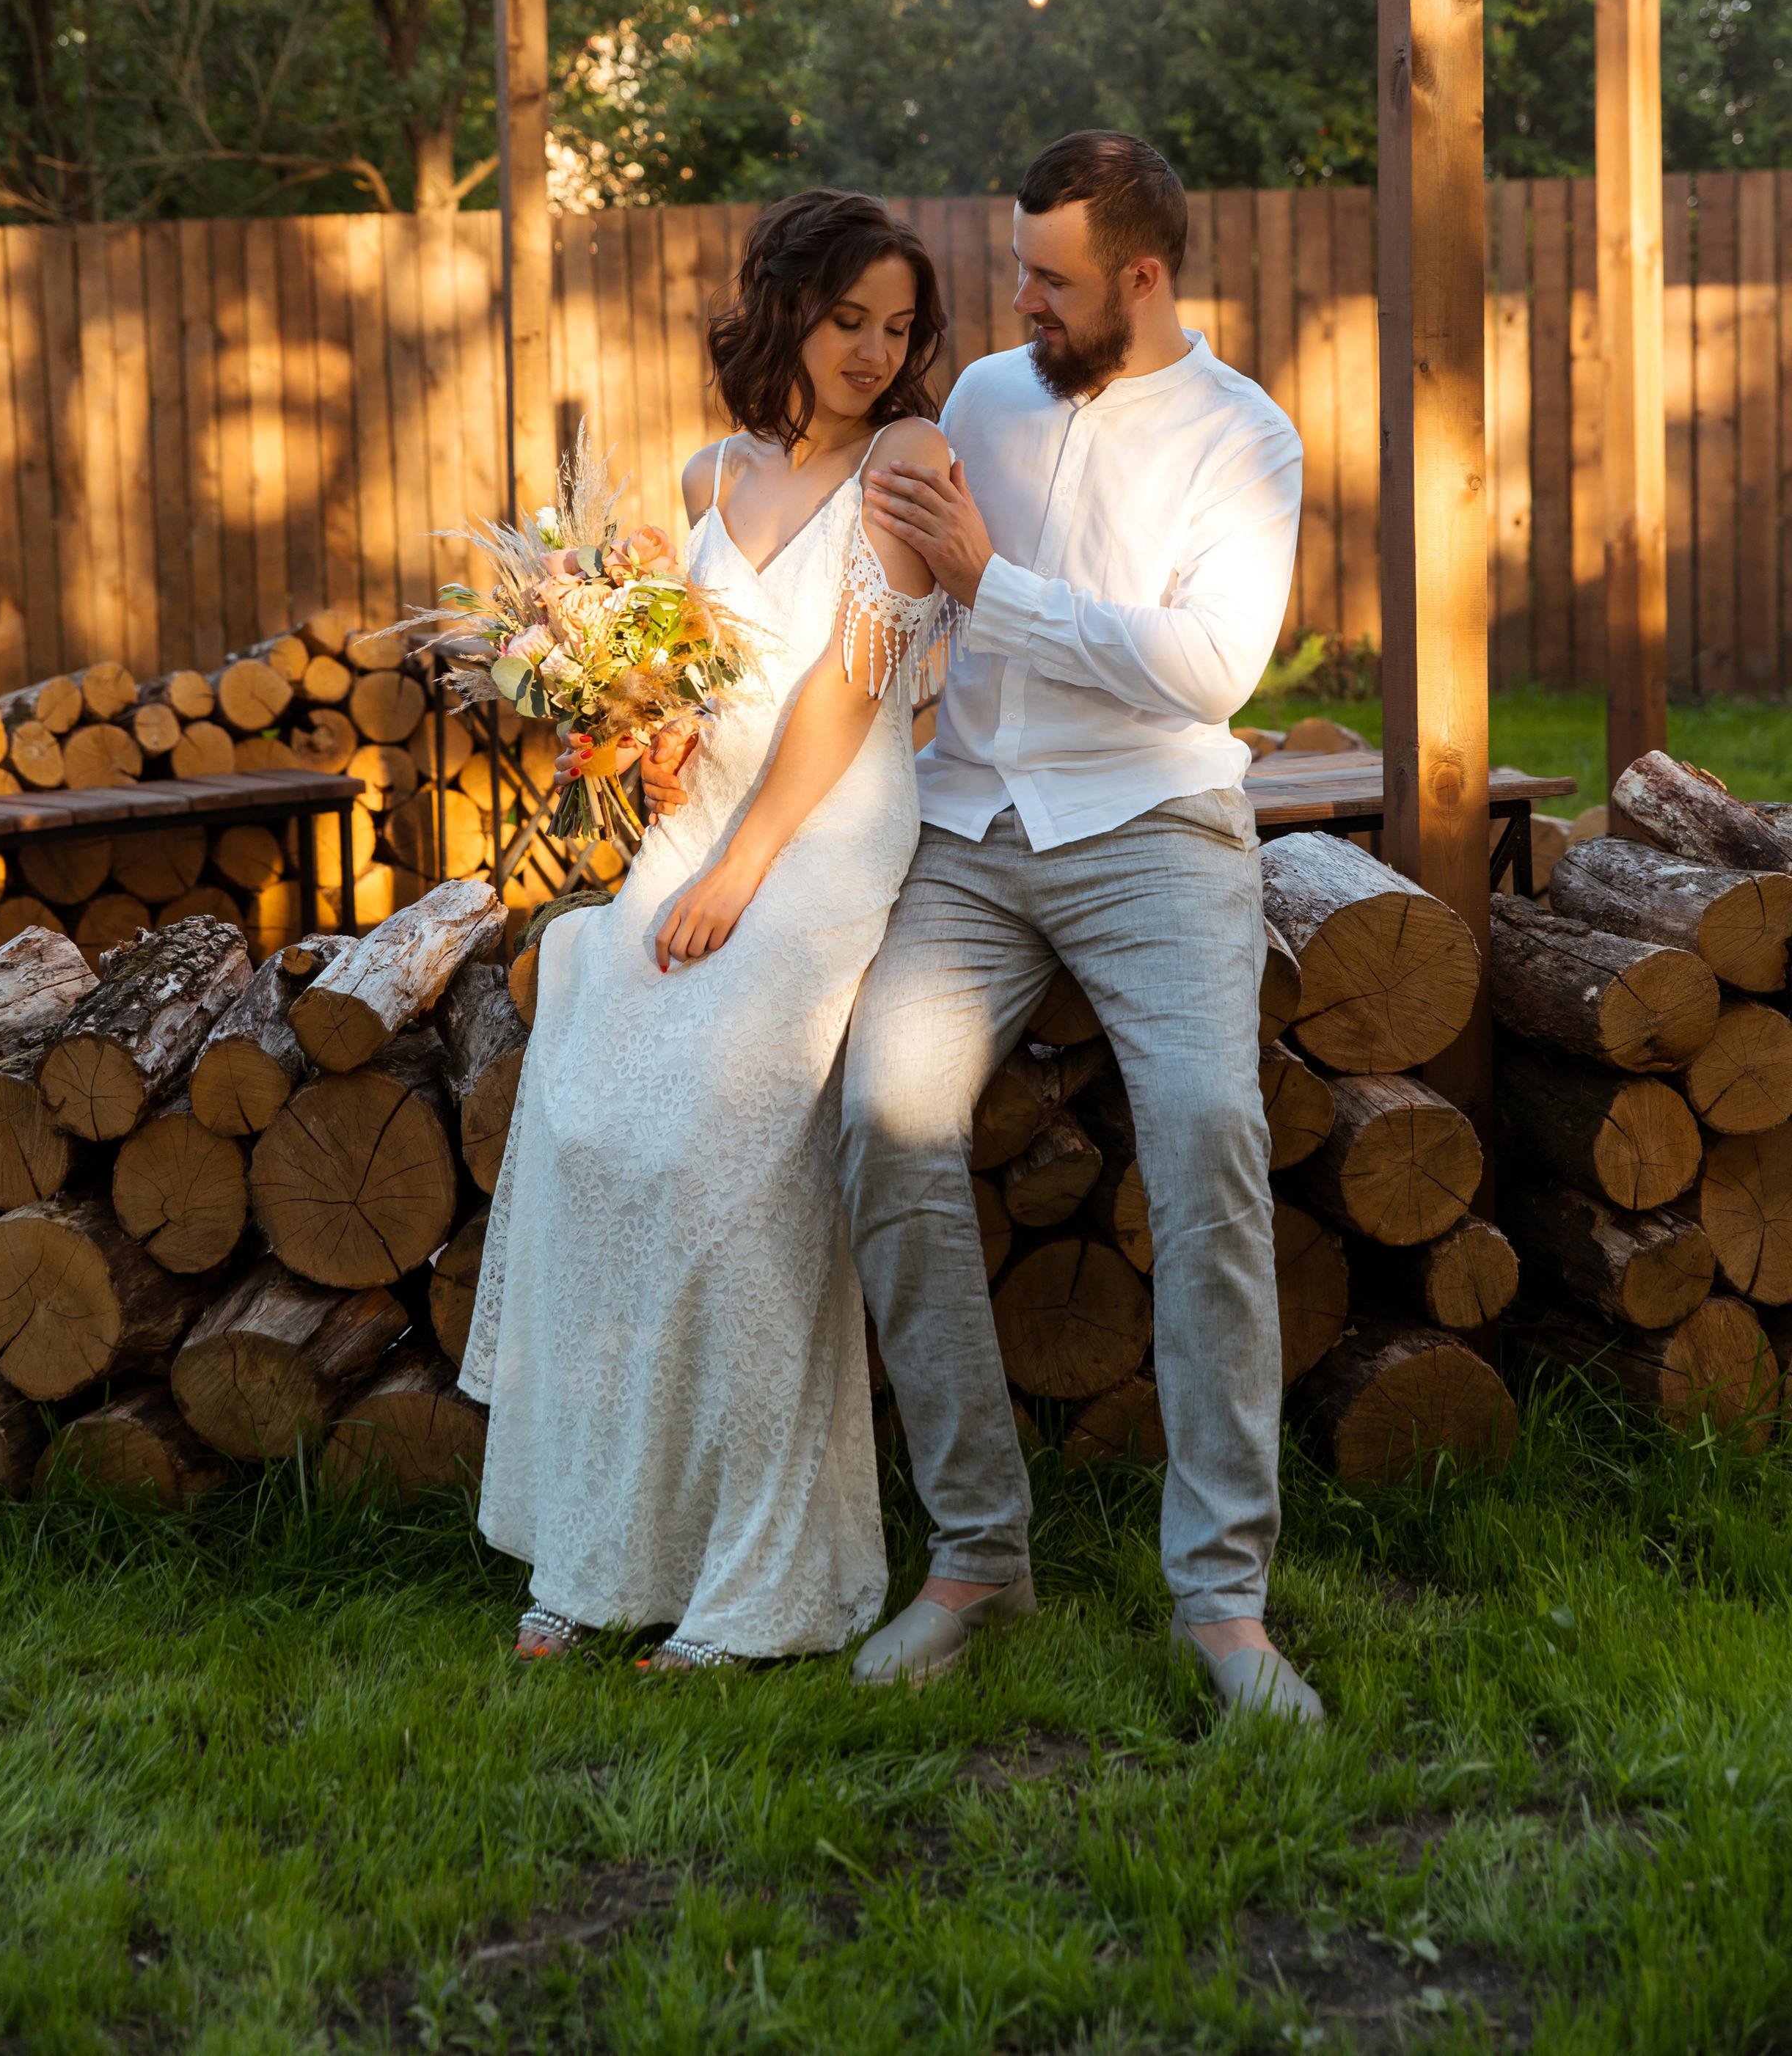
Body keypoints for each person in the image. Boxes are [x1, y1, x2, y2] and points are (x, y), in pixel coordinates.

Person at [840, 128, 1320, 1722]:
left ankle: (1222, 1602)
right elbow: (910, 597)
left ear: (1138, 273)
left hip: (1155, 831)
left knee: (1202, 1128)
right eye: (1016, 271)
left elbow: (1206, 671)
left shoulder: (1246, 438)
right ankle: (978, 1557)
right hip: (971, 829)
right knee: (884, 1120)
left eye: (1048, 278)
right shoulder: (976, 396)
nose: (1016, 301)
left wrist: (993, 582)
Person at [461, 189, 954, 1669]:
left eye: (896, 327)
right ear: (782, 308)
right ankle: (596, 1546)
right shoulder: (705, 469)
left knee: (715, 1152)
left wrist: (739, 868)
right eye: (847, 318)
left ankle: (762, 1575)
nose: (874, 350)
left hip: (822, 831)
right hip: (693, 827)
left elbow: (845, 691)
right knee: (586, 1132)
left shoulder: (908, 461)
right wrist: (634, 731)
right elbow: (691, 671)